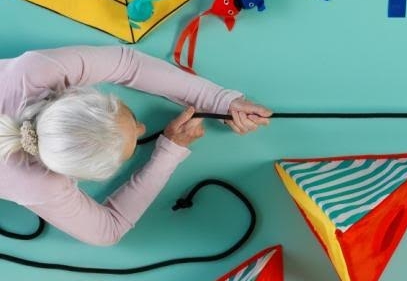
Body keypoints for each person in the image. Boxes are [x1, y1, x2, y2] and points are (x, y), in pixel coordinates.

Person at [0, 46, 271, 245]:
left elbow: (128, 63)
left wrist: (221, 101)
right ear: (74, 176)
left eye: (129, 117)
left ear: (79, 96)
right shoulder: (37, 184)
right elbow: (108, 231)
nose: (142, 128)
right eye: (126, 154)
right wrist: (169, 151)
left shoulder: (34, 73)